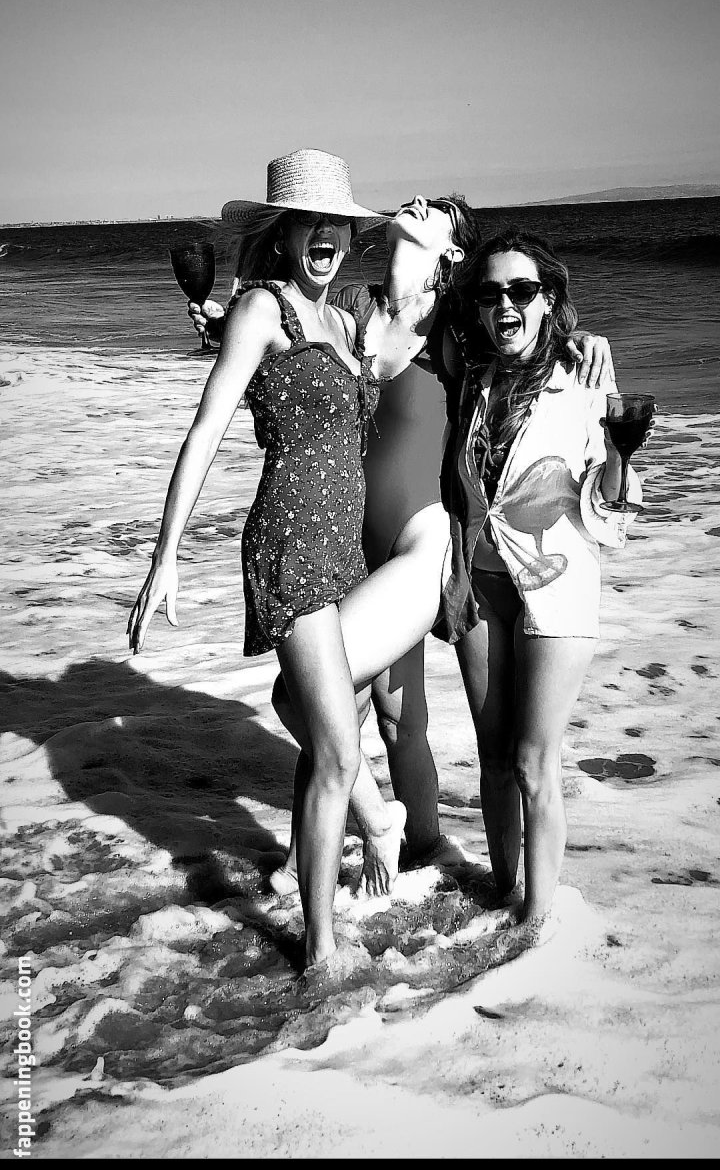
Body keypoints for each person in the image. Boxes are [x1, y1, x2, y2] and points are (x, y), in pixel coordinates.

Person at [191, 196, 617, 900]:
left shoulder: (453, 322)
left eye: (439, 212)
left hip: (420, 541)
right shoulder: (352, 308)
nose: (419, 204)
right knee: (354, 711)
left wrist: (580, 338)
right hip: (346, 539)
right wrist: (226, 325)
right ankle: (322, 855)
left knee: (367, 713)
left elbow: (520, 331)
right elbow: (293, 332)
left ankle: (414, 839)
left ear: (452, 254)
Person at [128, 147, 409, 974]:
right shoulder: (263, 308)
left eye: (337, 224)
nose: (325, 236)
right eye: (308, 223)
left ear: (349, 236)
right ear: (282, 235)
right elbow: (205, 431)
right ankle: (320, 948)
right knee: (339, 751)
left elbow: (420, 311)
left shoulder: (345, 322)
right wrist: (166, 554)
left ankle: (315, 867)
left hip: (348, 549)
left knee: (333, 733)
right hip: (289, 544)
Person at [434, 228, 651, 936]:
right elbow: (411, 306)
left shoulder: (584, 382)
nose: (505, 305)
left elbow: (614, 515)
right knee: (494, 758)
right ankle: (502, 894)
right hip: (478, 585)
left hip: (555, 589)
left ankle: (535, 922)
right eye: (490, 293)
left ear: (548, 298)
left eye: (522, 291)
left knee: (533, 763)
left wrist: (617, 455)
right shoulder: (472, 375)